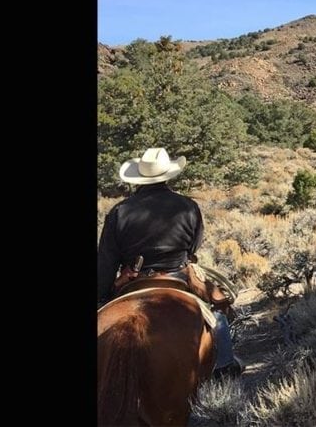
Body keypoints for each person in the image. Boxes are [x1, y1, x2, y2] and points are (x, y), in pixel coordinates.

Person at [97, 147, 243, 378]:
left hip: (133, 278)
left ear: (139, 179)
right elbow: (193, 247)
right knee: (217, 316)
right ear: (167, 175)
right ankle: (225, 367)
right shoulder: (188, 206)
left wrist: (102, 296)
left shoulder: (119, 211)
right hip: (177, 275)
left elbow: (106, 261)